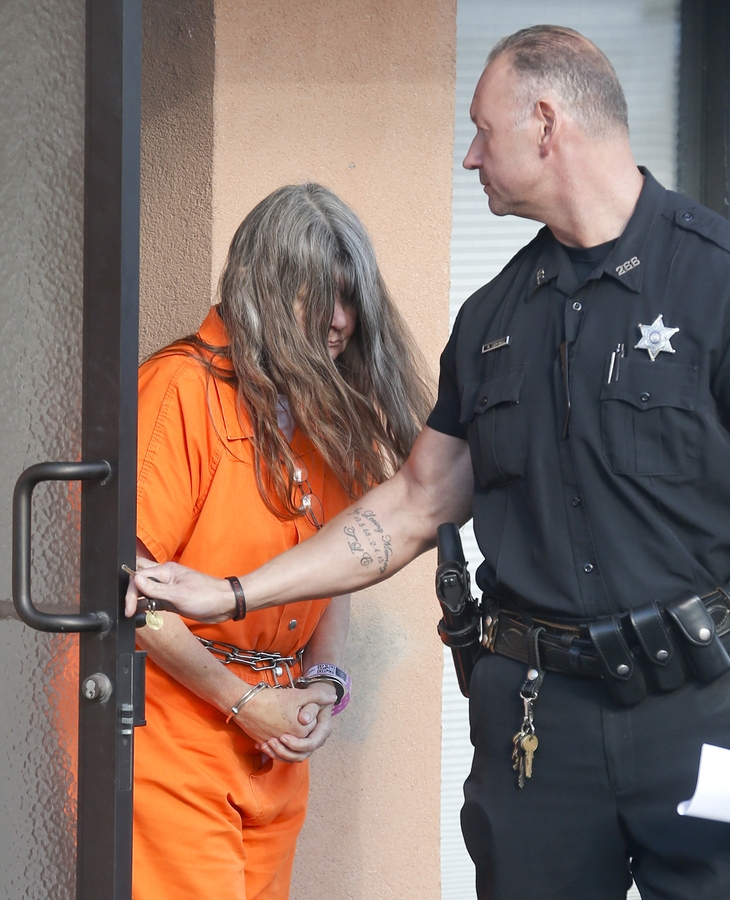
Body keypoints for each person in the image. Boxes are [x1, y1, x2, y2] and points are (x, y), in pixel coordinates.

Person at [127, 27, 730, 900]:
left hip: (698, 707)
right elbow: (412, 504)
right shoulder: (492, 321)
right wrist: (233, 594)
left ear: (547, 123)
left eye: (484, 131)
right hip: (537, 729)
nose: (469, 156)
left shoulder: (714, 282)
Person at [128, 182, 432, 900]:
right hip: (169, 731)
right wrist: (243, 701)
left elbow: (329, 576)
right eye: (316, 294)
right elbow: (134, 600)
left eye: (351, 298)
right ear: (262, 285)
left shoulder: (323, 405)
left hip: (271, 735)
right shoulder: (178, 390)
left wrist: (325, 682)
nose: (339, 321)